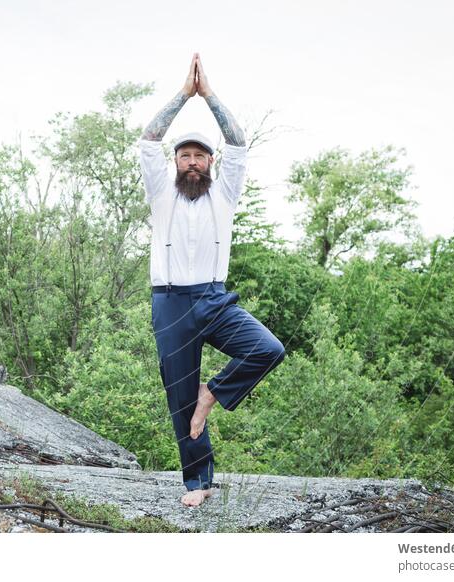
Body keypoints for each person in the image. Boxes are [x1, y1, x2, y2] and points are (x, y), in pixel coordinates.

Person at [139, 53, 286, 507]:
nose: (192, 162)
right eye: (185, 155)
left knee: (268, 349)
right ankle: (198, 483)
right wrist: (183, 95)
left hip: (213, 300)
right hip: (169, 305)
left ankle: (213, 394)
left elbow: (238, 143)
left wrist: (209, 96)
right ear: (176, 162)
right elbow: (148, 138)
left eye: (200, 155)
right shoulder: (161, 193)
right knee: (179, 399)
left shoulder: (224, 194)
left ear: (210, 162)